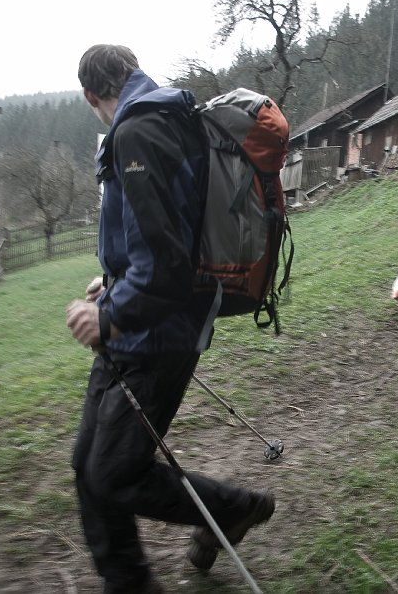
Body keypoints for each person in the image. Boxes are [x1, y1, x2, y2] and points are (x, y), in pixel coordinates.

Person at [65, 44, 274, 594]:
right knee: (89, 464)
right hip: (143, 319)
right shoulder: (167, 117)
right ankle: (127, 583)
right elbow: (166, 235)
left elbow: (166, 266)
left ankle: (232, 509)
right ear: (131, 71)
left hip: (158, 333)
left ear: (90, 95)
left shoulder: (138, 131)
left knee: (112, 471)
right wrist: (115, 281)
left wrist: (110, 315)